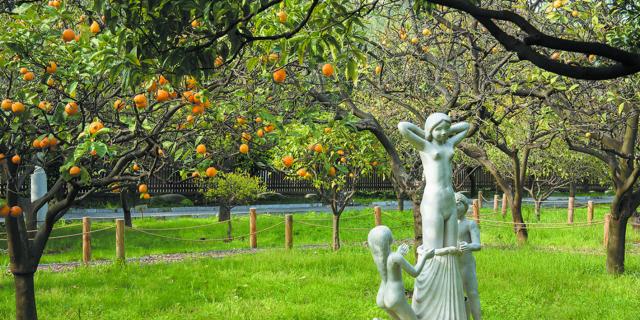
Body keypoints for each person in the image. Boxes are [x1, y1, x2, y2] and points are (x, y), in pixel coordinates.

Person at [398, 113, 470, 319]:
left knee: (451, 252)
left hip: (449, 200)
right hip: (433, 203)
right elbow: (403, 126)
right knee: (434, 253)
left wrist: (446, 128)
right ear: (430, 130)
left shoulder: (449, 145)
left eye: (445, 129)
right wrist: (428, 132)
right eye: (438, 129)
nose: (443, 132)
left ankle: (450, 308)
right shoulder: (425, 146)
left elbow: (466, 126)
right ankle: (431, 309)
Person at [368, 226, 435, 320]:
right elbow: (415, 272)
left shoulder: (379, 257)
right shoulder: (395, 257)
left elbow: (390, 264)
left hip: (382, 295)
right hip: (395, 296)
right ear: (388, 239)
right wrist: (424, 256)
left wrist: (398, 253)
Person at [455, 192, 482, 320]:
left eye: (458, 205)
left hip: (467, 265)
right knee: (457, 295)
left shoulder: (470, 224)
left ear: (465, 206)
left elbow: (478, 245)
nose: (455, 208)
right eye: (452, 205)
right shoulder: (449, 224)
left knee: (472, 293)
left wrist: (468, 246)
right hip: (453, 266)